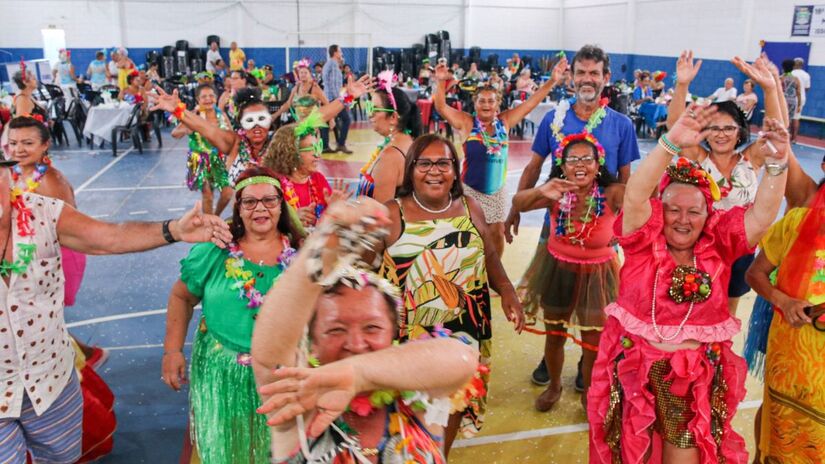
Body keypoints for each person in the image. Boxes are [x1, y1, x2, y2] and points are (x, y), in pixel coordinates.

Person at [0, 121, 232, 463]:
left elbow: (110, 237)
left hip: (50, 383)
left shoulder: (42, 212)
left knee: (62, 457)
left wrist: (175, 230)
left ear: (8, 177)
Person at [587, 103, 790, 464]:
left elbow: (761, 217)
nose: (682, 219)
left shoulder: (718, 244)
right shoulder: (642, 239)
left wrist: (777, 163)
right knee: (632, 454)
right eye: (673, 209)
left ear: (708, 214)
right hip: (633, 374)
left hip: (692, 379)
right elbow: (635, 194)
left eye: (694, 211)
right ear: (659, 210)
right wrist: (670, 144)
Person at [250, 197, 480, 463]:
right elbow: (269, 355)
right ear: (312, 342)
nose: (356, 344)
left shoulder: (420, 397)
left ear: (394, 333)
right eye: (336, 330)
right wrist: (323, 248)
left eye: (372, 327)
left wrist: (355, 374)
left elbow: (463, 358)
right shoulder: (299, 402)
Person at [377, 134, 525, 456]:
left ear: (455, 170)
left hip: (465, 331)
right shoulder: (391, 215)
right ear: (410, 170)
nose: (434, 171)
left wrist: (507, 290)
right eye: (424, 163)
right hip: (408, 338)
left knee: (454, 403)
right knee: (407, 422)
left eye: (443, 163)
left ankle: (440, 456)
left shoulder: (470, 207)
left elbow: (488, 256)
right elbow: (361, 275)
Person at [505, 45, 640, 388]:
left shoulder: (621, 125)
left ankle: (585, 363)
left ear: (606, 78)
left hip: (602, 231)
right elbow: (534, 167)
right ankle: (552, 360)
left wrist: (623, 227)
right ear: (571, 77)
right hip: (557, 228)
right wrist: (514, 211)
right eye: (581, 72)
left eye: (594, 73)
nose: (587, 79)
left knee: (595, 309)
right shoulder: (554, 118)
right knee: (556, 304)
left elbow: (625, 178)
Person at [162, 167, 300, 464]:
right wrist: (172, 351)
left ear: (282, 204)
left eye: (269, 200)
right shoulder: (215, 252)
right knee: (224, 452)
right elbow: (181, 297)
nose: (260, 208)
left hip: (284, 376)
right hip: (221, 374)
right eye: (249, 201)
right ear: (238, 209)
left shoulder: (303, 253)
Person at [6, 115, 116, 460]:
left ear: (44, 146)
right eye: (13, 143)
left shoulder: (50, 181)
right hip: (27, 258)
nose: (19, 149)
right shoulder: (12, 175)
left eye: (28, 143)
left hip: (57, 256)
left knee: (43, 325)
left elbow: (72, 230)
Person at [511, 133, 624, 413]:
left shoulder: (613, 193)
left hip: (599, 274)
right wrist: (542, 191)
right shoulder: (556, 191)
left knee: (592, 342)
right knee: (554, 336)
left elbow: (648, 195)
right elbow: (518, 202)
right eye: (573, 159)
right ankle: (555, 386)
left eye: (587, 158)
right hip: (557, 269)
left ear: (598, 166)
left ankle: (589, 390)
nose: (580, 164)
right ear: (563, 165)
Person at [667, 51, 783, 316]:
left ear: (740, 131)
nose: (721, 134)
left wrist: (770, 88)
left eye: (728, 128)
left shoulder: (751, 159)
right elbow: (675, 127)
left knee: (727, 314)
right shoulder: (697, 157)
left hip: (740, 250)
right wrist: (682, 85)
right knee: (690, 311)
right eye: (715, 128)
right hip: (698, 248)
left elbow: (776, 135)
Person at [433, 58, 564, 256]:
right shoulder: (467, 123)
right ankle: (469, 273)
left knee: (496, 233)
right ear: (474, 103)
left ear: (498, 104)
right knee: (468, 234)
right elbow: (441, 107)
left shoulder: (505, 121)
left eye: (491, 100)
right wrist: (440, 82)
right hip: (470, 190)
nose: (486, 104)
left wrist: (552, 81)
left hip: (497, 192)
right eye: (482, 100)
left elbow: (530, 103)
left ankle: (495, 275)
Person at [745, 157, 825, 464]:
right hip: (791, 357)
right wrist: (784, 301)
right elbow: (755, 273)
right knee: (778, 434)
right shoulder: (797, 221)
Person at [153, 76, 370, 187]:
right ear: (240, 123)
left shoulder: (280, 140)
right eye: (250, 121)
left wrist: (347, 97)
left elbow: (317, 117)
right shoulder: (233, 143)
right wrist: (178, 110)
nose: (257, 126)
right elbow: (205, 127)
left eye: (262, 120)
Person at [263, 112, 349, 228]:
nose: (317, 155)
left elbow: (327, 227)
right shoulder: (273, 186)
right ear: (292, 152)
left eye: (318, 147)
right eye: (311, 149)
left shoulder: (318, 179)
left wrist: (334, 209)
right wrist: (291, 221)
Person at [356, 71, 423, 202]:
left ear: (393, 117)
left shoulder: (390, 157)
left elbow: (380, 213)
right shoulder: (408, 141)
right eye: (369, 108)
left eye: (375, 110)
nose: (370, 115)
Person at [171, 84, 233, 216]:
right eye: (204, 97)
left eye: (211, 96)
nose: (208, 99)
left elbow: (231, 134)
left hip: (219, 160)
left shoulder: (221, 114)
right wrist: (187, 129)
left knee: (227, 194)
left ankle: (215, 216)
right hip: (199, 160)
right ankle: (209, 224)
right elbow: (175, 133)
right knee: (208, 195)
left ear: (216, 98)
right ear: (198, 100)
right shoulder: (194, 115)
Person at [322, 45, 352, 154]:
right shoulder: (334, 64)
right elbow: (334, 85)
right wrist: (342, 101)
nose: (342, 53)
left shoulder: (328, 64)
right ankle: (341, 144)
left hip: (327, 97)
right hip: (333, 98)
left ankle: (325, 145)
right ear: (335, 53)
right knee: (346, 119)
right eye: (340, 51)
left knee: (325, 121)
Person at [781, 59, 803, 144]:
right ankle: (786, 137)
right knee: (788, 120)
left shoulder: (781, 78)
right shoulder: (796, 79)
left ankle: (780, 136)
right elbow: (799, 93)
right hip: (792, 102)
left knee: (781, 118)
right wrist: (799, 105)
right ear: (793, 67)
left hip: (783, 101)